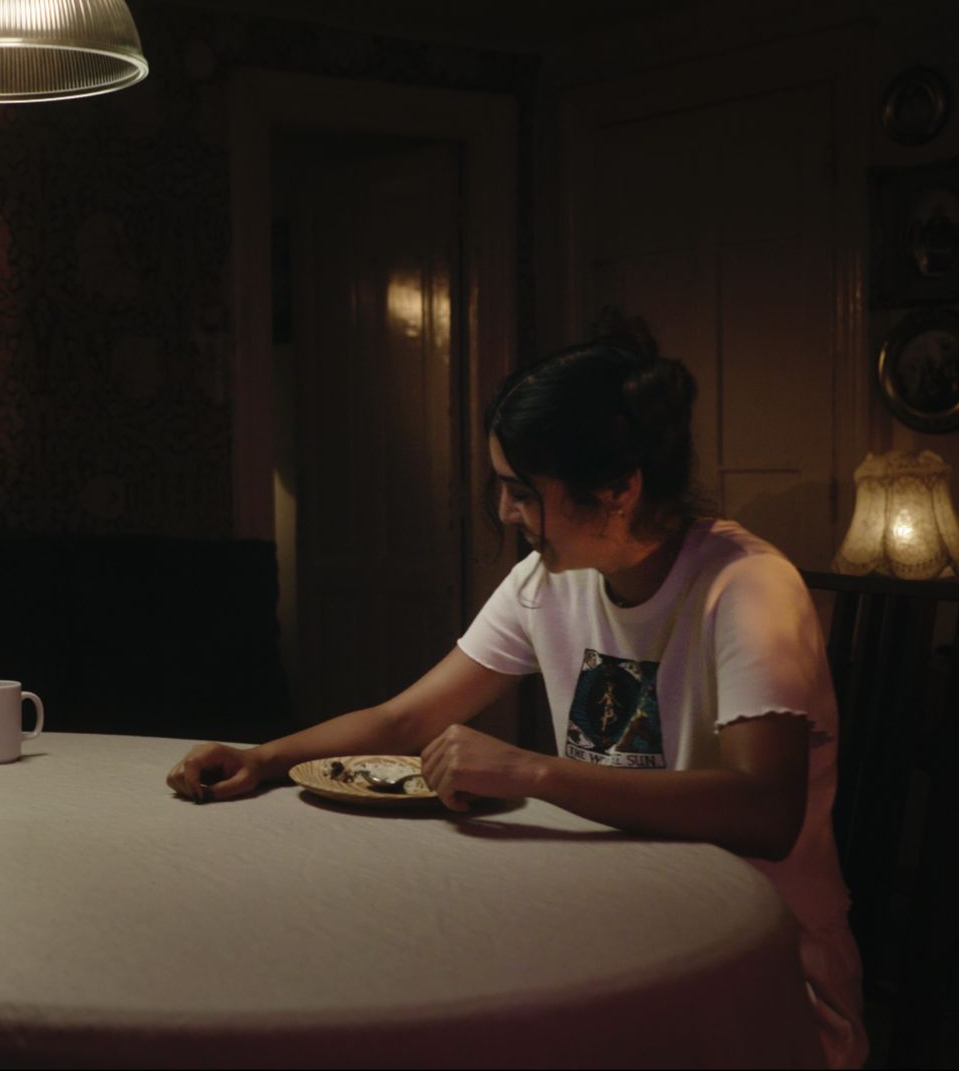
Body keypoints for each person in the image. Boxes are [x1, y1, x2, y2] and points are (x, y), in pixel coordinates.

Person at [166, 323, 865, 1069]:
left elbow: (765, 812)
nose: (504, 511)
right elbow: (406, 718)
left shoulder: (746, 587)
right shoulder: (548, 583)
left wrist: (531, 771)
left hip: (758, 972)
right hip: (623, 930)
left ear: (619, 488)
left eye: (522, 490)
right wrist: (264, 758)